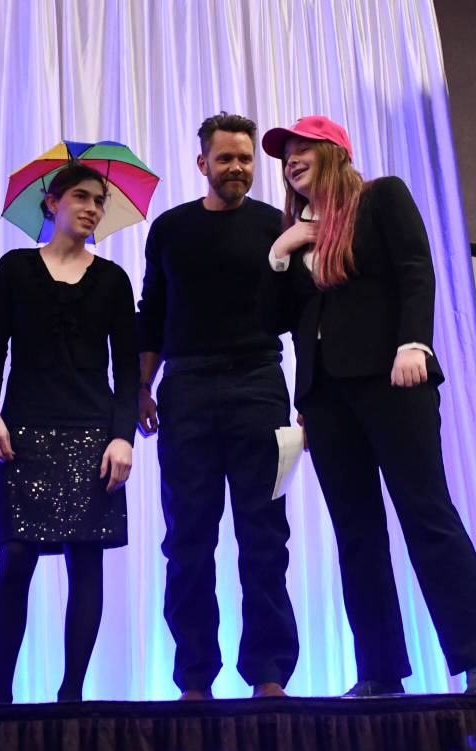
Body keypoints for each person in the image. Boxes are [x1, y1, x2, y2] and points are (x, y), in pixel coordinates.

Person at [260, 115, 476, 697]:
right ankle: (380, 672)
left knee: (426, 514)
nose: (292, 159)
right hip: (326, 397)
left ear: (334, 152)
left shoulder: (382, 197)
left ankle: (474, 653)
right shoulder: (297, 230)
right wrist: (281, 254)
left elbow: (414, 270)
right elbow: (281, 318)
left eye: (303, 148)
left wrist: (414, 342)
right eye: (286, 155)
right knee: (356, 532)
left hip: (392, 377)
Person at [136, 113, 299, 700]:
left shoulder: (278, 224)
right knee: (187, 538)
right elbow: (151, 311)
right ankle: (195, 680)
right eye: (225, 158)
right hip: (188, 392)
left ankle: (270, 674)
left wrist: (305, 399)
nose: (237, 168)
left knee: (264, 536)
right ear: (202, 163)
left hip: (260, 384)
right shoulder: (171, 229)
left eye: (246, 159)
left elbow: (299, 313)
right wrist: (141, 386)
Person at [0, 162, 138, 703]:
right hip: (25, 429)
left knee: (85, 557)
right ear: (52, 202)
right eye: (82, 197)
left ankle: (71, 693)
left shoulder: (114, 279)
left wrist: (123, 437)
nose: (93, 207)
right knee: (16, 557)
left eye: (100, 200)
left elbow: (127, 367)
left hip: (92, 432)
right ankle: (1, 693)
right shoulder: (15, 269)